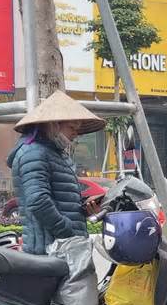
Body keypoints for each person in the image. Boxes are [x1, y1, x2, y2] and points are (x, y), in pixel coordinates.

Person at [7, 90, 106, 255]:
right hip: (49, 251)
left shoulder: (56, 153)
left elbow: (61, 198)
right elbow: (38, 201)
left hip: (63, 248)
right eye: (71, 127)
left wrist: (84, 208)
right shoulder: (34, 153)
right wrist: (67, 231)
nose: (76, 133)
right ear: (53, 124)